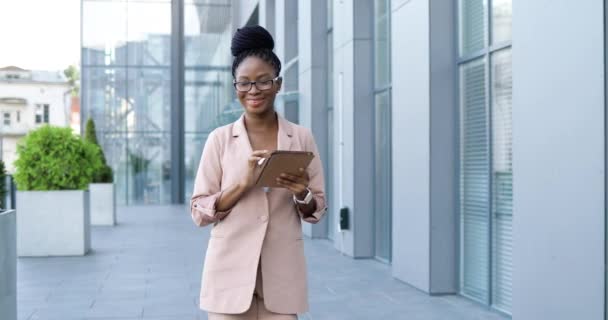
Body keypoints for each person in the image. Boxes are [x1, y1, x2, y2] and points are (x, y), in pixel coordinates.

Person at [190, 25, 327, 320]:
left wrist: (301, 193)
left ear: (278, 84)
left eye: (263, 82)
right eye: (244, 83)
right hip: (228, 278)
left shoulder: (301, 137)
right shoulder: (219, 139)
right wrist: (242, 184)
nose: (254, 91)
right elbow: (199, 212)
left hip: (282, 280)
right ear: (235, 87)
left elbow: (317, 208)